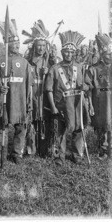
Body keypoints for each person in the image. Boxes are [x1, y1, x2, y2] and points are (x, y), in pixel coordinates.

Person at [0, 19, 32, 164]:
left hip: (19, 100)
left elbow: (29, 85)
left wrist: (28, 101)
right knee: (3, 126)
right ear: (7, 44)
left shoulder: (25, 63)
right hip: (5, 100)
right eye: (14, 44)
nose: (17, 46)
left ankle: (17, 154)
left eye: (18, 43)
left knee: (21, 127)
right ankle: (1, 152)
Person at [45, 30, 88, 165]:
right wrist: (53, 106)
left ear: (74, 53)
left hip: (77, 104)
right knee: (60, 131)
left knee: (78, 129)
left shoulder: (80, 67)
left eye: (71, 52)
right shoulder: (54, 68)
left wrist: (84, 87)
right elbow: (49, 89)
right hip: (61, 105)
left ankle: (77, 154)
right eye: (66, 52)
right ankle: (60, 156)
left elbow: (87, 85)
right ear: (62, 53)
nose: (69, 54)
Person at [22, 20, 52, 157]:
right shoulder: (28, 62)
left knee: (44, 121)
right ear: (34, 46)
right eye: (38, 45)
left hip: (44, 96)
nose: (41, 48)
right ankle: (31, 149)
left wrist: (48, 72)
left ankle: (44, 149)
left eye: (43, 45)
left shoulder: (50, 63)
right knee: (32, 121)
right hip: (32, 94)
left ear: (46, 47)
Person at [85, 32, 112, 159]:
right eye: (108, 54)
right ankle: (102, 148)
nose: (110, 56)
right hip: (98, 97)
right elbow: (88, 86)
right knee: (99, 124)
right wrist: (90, 104)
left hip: (111, 96)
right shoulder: (94, 68)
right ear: (102, 54)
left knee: (110, 123)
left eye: (111, 54)